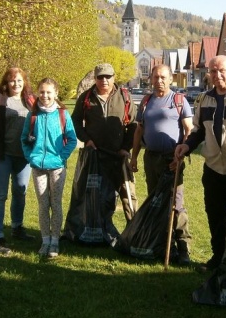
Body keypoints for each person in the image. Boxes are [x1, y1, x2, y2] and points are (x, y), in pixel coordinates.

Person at [174, 55, 226, 272]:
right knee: (215, 217)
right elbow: (198, 131)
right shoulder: (204, 99)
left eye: (222, 71)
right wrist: (187, 146)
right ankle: (218, 258)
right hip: (213, 170)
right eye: (213, 71)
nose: (217, 75)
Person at [129, 64, 194, 264]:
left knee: (175, 203)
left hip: (172, 159)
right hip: (151, 158)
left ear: (170, 79)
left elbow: (189, 130)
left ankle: (183, 248)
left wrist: (179, 156)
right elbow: (139, 130)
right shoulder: (146, 101)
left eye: (163, 77)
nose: (159, 81)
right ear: (151, 79)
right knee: (156, 202)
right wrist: (134, 156)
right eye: (156, 77)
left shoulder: (179, 100)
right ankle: (160, 244)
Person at [70, 63, 138, 223]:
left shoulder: (125, 97)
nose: (104, 80)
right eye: (100, 77)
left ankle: (133, 231)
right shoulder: (86, 97)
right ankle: (98, 229)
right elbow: (75, 122)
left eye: (108, 76)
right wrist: (87, 140)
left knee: (128, 196)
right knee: (96, 195)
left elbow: (134, 124)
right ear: (95, 78)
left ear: (114, 77)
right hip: (96, 156)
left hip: (119, 155)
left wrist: (125, 148)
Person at [0, 67, 36, 255]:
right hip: (2, 155)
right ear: (6, 82)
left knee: (20, 191)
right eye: (12, 80)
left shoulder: (31, 100)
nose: (16, 84)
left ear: (24, 82)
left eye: (19, 80)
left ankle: (17, 228)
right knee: (0, 194)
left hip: (23, 156)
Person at [21, 77, 77, 259]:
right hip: (38, 167)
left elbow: (72, 139)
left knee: (56, 203)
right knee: (43, 204)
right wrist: (31, 157)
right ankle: (45, 240)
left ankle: (55, 241)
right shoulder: (33, 115)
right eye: (42, 92)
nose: (45, 95)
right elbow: (24, 139)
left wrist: (61, 157)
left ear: (56, 93)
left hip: (57, 168)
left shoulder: (62, 115)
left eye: (49, 92)